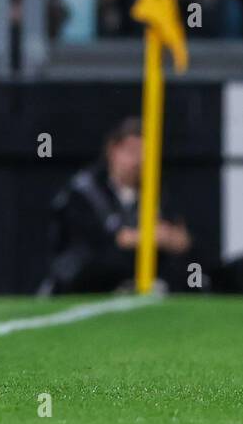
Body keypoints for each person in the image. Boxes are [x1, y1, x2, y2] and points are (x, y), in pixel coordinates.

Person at [42, 117, 191, 295]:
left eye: (146, 152)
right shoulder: (84, 191)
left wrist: (169, 238)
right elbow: (93, 244)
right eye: (132, 151)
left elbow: (181, 239)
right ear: (112, 150)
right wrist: (145, 237)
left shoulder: (161, 192)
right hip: (84, 283)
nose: (138, 160)